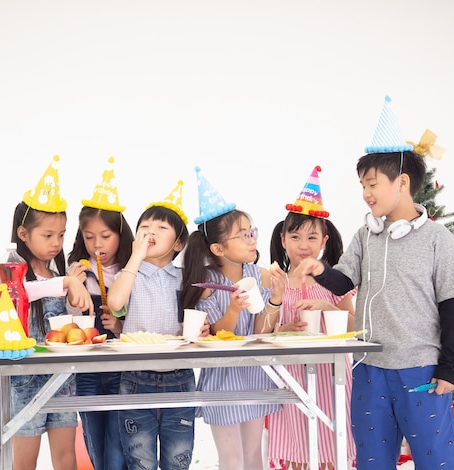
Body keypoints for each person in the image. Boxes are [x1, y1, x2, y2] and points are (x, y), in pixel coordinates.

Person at [299, 97, 454, 469]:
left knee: (436, 460)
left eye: (372, 183)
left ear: (402, 182)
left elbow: (452, 305)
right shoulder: (365, 235)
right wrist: (318, 269)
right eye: (362, 184)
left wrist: (449, 368)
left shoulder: (437, 239)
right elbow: (343, 283)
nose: (365, 193)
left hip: (420, 370)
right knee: (372, 461)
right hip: (369, 366)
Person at [180, 167, 284, 470]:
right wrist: (233, 310)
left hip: (253, 375)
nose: (253, 240)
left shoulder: (259, 275)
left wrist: (275, 297)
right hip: (222, 380)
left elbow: (261, 331)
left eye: (253, 232)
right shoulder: (206, 284)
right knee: (232, 460)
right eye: (243, 235)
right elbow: (216, 334)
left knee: (254, 458)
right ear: (218, 248)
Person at [106, 180, 202, 470]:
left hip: (180, 379)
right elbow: (115, 303)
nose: (150, 232)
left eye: (161, 228)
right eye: (145, 227)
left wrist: (201, 330)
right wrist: (135, 256)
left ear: (178, 244)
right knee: (140, 462)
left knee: (178, 461)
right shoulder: (129, 274)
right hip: (135, 379)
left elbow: (193, 323)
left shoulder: (185, 277)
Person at [267, 166, 356, 470]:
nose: (303, 245)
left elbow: (354, 324)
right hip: (291, 377)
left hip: (333, 377)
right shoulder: (276, 279)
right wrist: (284, 328)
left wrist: (327, 306)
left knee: (333, 440)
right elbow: (265, 330)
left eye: (311, 237)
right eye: (295, 236)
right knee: (296, 447)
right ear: (282, 240)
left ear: (324, 241)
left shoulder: (336, 281)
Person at [9, 155, 94, 470]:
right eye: (48, 235)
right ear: (23, 233)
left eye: (61, 235)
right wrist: (66, 282)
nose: (56, 243)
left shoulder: (58, 273)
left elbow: (69, 320)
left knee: (66, 458)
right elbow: (19, 293)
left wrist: (76, 290)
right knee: (25, 462)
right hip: (25, 378)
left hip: (62, 376)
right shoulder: (13, 270)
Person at [67, 158, 134, 470]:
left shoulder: (131, 272)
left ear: (121, 234)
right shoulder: (77, 270)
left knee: (119, 446)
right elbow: (68, 323)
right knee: (95, 445)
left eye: (105, 236)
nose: (96, 244)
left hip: (124, 371)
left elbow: (146, 323)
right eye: (89, 236)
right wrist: (71, 287)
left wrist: (121, 325)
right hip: (88, 371)